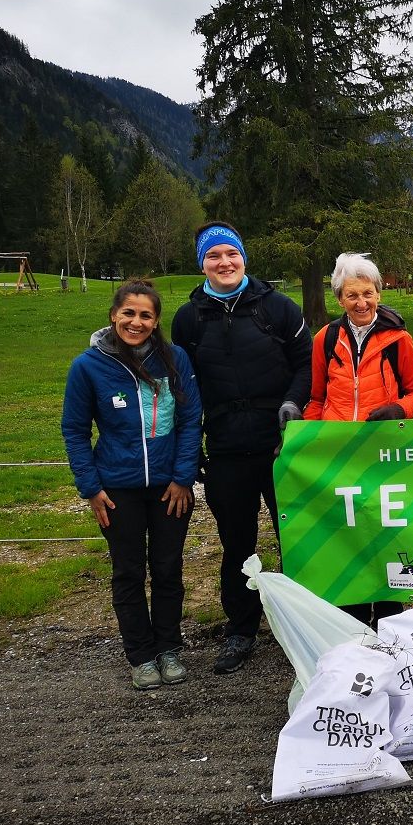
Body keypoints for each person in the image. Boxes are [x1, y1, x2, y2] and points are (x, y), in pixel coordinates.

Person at [171, 221, 312, 675]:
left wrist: (292, 404)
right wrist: (191, 451)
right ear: (202, 264)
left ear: (244, 257)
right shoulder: (188, 319)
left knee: (297, 539)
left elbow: (306, 364)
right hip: (227, 446)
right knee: (237, 545)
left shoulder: (278, 308)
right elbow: (182, 388)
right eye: (213, 256)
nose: (224, 263)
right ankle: (241, 629)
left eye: (231, 254)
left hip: (282, 445)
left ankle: (303, 623)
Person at [62, 279, 202, 690]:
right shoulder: (88, 366)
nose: (136, 322)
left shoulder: (175, 359)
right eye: (129, 313)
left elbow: (190, 420)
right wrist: (89, 486)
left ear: (156, 320)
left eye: (145, 315)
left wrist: (182, 478)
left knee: (167, 568)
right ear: (113, 315)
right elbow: (74, 429)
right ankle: (140, 656)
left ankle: (168, 648)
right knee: (128, 571)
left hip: (168, 489)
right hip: (116, 488)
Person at [304, 252, 413, 628]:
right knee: (349, 539)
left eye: (369, 294)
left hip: (385, 457)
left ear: (379, 293)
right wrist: (309, 440)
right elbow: (315, 398)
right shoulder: (325, 339)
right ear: (339, 298)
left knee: (387, 536)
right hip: (341, 457)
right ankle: (353, 626)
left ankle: (389, 624)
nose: (362, 303)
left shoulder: (398, 339)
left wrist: (399, 410)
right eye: (352, 295)